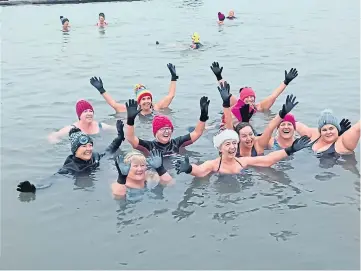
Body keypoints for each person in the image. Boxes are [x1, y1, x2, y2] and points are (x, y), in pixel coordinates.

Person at [17, 120, 125, 194]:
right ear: (75, 151)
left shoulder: (95, 156)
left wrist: (120, 136)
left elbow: (109, 150)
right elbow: (52, 180)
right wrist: (34, 188)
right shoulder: (70, 168)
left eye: (90, 145)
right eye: (84, 146)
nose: (89, 149)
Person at [175, 129, 311, 177]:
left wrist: (290, 149)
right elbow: (201, 171)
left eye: (234, 143)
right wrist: (189, 169)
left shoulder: (243, 161)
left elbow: (268, 160)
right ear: (220, 149)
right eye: (228, 144)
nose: (232, 147)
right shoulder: (213, 165)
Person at [219, 82, 299, 156]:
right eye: (244, 136)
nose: (249, 138)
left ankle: (246, 124)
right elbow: (229, 125)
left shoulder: (258, 144)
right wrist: (225, 104)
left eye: (250, 135)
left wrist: (282, 114)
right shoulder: (235, 145)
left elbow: (270, 128)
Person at [210, 61, 298, 122]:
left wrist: (286, 82)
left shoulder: (259, 107)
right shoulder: (236, 104)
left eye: (251, 97)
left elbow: (274, 95)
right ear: (241, 99)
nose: (249, 99)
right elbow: (225, 90)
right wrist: (219, 76)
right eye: (246, 97)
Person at [126, 96, 210, 155]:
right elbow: (131, 138)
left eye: (168, 128)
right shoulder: (149, 146)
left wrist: (203, 117)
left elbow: (197, 133)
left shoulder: (177, 143)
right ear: (155, 133)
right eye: (162, 129)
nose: (166, 131)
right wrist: (130, 120)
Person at [89, 63, 178, 116]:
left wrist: (173, 78)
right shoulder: (131, 110)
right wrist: (101, 90)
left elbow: (171, 95)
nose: (147, 101)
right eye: (143, 99)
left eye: (148, 98)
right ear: (138, 101)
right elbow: (114, 104)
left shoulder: (156, 108)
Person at [295, 109, 360, 156]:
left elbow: (357, 128)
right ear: (320, 132)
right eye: (324, 130)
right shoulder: (312, 136)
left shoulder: (342, 144)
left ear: (338, 129)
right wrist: (284, 112)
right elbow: (292, 123)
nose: (328, 132)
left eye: (331, 128)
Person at [48, 99, 115, 143]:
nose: (89, 113)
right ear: (79, 115)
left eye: (91, 111)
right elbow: (52, 136)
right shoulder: (72, 128)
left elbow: (117, 129)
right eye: (85, 111)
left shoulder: (100, 126)